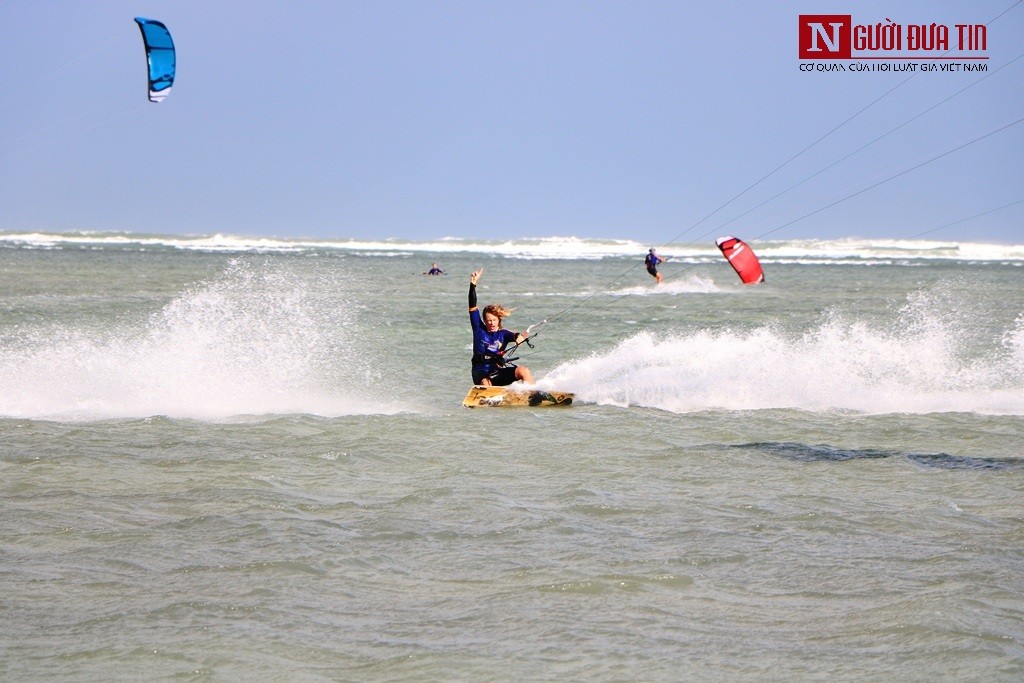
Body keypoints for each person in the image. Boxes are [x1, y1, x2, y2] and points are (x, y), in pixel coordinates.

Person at [468, 268, 535, 386]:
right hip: (480, 371)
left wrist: (519, 337)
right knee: (486, 383)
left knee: (523, 371)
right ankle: (488, 397)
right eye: (488, 320)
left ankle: (531, 394)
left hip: (496, 371)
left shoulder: (503, 334)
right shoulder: (479, 328)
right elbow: (472, 305)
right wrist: (473, 284)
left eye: (494, 320)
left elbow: (514, 335)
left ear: (499, 320)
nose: (491, 323)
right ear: (484, 321)